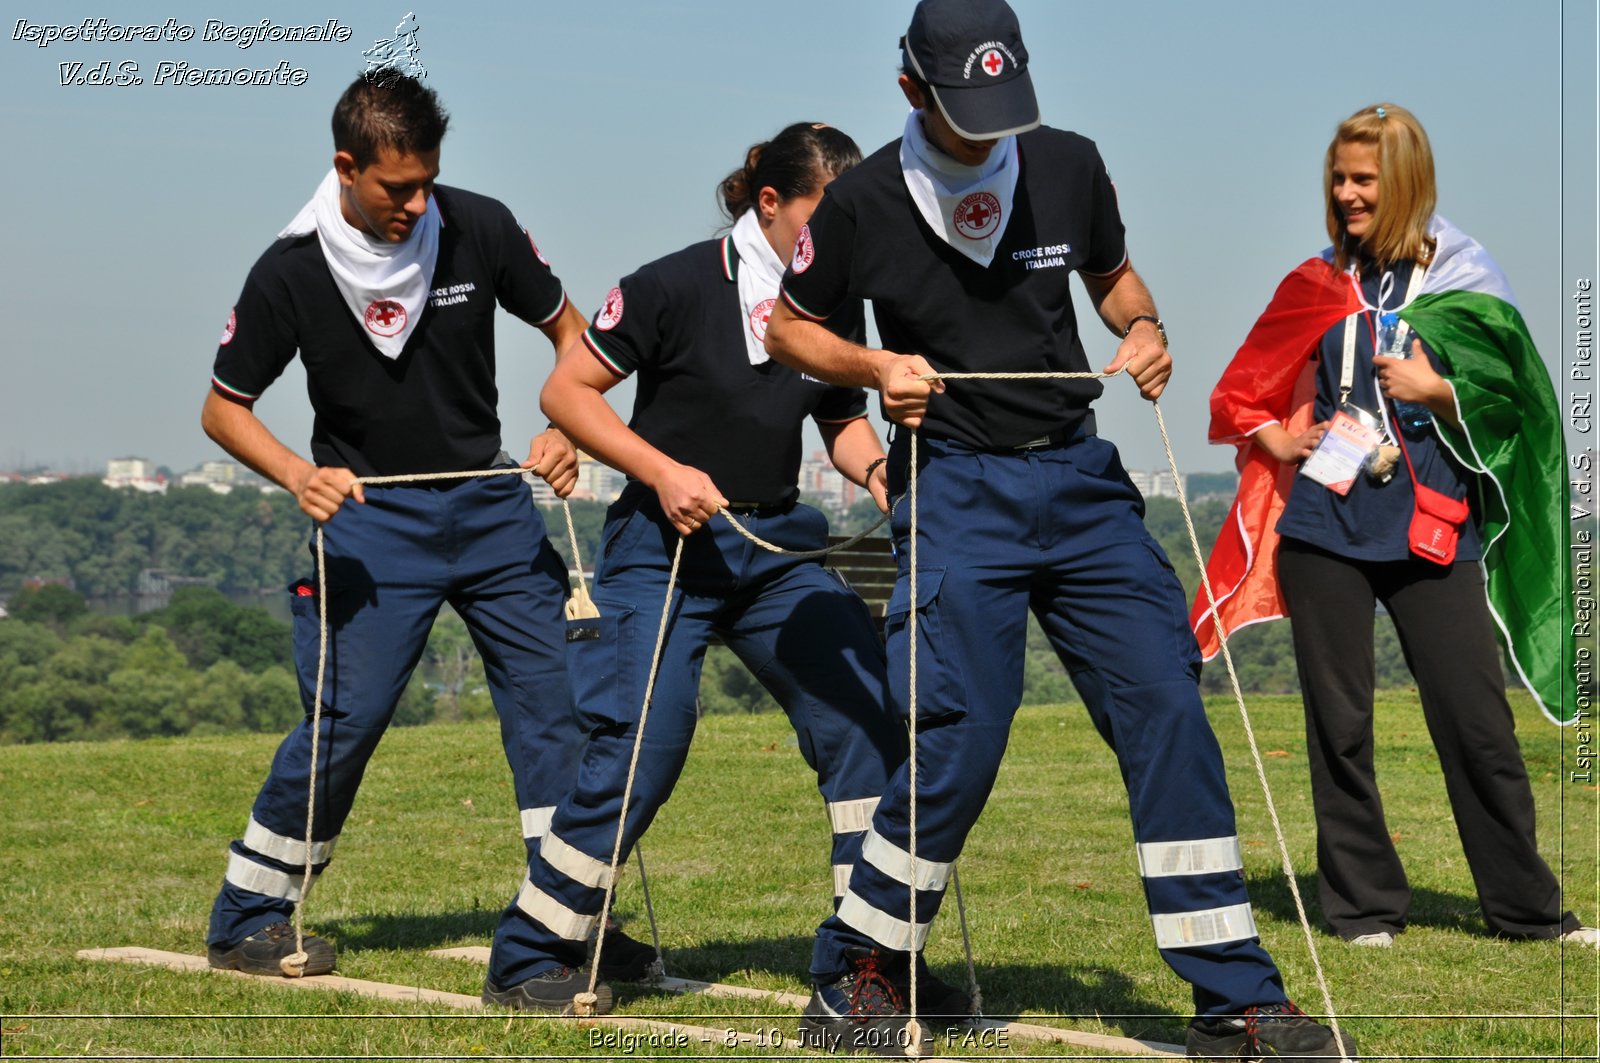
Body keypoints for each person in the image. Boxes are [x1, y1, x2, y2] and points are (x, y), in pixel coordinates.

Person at [762, 2, 1352, 1059]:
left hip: (1082, 485)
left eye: (1005, 104)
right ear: (911, 92)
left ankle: (1236, 1002)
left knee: (1169, 706)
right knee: (957, 738)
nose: (990, 130)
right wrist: (875, 367)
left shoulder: (1071, 164)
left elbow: (1119, 284)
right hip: (952, 489)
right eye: (964, 110)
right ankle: (855, 973)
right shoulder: (854, 205)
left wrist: (1148, 329)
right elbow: (788, 325)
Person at [487, 120, 965, 1016]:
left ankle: (869, 960)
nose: (836, 246)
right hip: (658, 551)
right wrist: (661, 471)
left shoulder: (828, 303)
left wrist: (882, 481)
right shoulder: (669, 284)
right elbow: (564, 393)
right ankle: (529, 949)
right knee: (645, 748)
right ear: (770, 202)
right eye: (823, 221)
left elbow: (838, 420)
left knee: (866, 722)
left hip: (778, 550)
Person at [199, 72, 643, 1010]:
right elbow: (222, 408)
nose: (415, 203)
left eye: (428, 182)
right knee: (344, 723)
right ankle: (248, 914)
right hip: (370, 525)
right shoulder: (289, 267)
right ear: (346, 168)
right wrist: (297, 473)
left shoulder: (478, 225)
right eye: (395, 187)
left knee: (556, 709)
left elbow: (573, 337)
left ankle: (568, 921)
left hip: (490, 507)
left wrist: (566, 425)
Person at [1192, 102, 1595, 953]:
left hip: (1431, 523)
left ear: (1404, 179)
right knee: (1338, 725)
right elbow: (1243, 388)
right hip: (1323, 522)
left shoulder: (1465, 275)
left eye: (1363, 179)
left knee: (1476, 718)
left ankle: (1528, 910)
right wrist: (1278, 437)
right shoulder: (1315, 280)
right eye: (1338, 179)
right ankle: (1362, 905)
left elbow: (1520, 399)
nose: (1345, 194)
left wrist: (1437, 392)